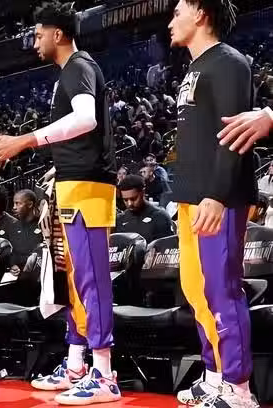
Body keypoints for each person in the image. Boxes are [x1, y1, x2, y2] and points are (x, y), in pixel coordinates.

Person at [0, 2, 120, 404]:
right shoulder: (69, 71)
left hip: (89, 187)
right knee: (74, 281)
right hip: (74, 183)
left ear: (58, 34)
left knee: (91, 280)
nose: (34, 42)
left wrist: (26, 140)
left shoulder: (78, 66)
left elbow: (86, 119)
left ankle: (104, 375)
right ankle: (76, 364)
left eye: (39, 34)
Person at [169, 1, 259, 406]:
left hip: (218, 198)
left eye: (178, 12)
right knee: (197, 290)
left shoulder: (228, 63)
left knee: (222, 289)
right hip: (192, 197)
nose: (171, 22)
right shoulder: (194, 67)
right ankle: (214, 375)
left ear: (201, 14)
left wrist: (218, 194)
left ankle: (239, 389)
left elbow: (234, 136)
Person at [115, 175, 174, 243]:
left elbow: (168, 246)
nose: (129, 203)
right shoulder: (120, 219)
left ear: (143, 192)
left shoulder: (160, 217)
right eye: (125, 200)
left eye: (133, 199)